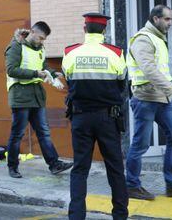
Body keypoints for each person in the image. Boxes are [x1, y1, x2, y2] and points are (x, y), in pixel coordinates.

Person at [62, 13, 129, 220]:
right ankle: (119, 215)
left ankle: (76, 216)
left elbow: (68, 80)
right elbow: (122, 82)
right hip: (108, 119)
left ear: (85, 29)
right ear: (104, 30)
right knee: (115, 169)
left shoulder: (70, 52)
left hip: (81, 118)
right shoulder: (116, 53)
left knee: (80, 169)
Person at [126, 5, 172, 200]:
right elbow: (149, 69)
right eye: (167, 19)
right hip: (146, 99)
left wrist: (168, 93)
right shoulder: (143, 39)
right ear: (155, 19)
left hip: (163, 99)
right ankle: (132, 185)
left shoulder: (158, 38)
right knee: (140, 144)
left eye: (171, 19)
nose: (170, 23)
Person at [5, 21, 73, 179]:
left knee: (44, 132)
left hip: (37, 97)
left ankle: (54, 164)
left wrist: (53, 73)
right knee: (17, 134)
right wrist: (36, 74)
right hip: (20, 96)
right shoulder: (16, 46)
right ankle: (12, 166)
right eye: (41, 38)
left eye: (44, 39)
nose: (42, 41)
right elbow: (11, 70)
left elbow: (43, 65)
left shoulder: (40, 48)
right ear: (32, 32)